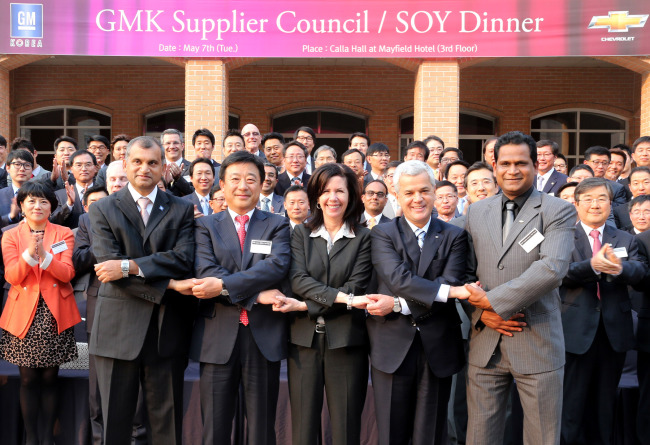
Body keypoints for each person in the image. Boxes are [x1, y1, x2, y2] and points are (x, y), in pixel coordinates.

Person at [457, 131, 577, 445]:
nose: (513, 170)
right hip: (485, 345)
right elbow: (465, 274)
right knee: (480, 437)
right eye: (506, 163)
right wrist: (482, 315)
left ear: (536, 165)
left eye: (521, 162)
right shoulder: (477, 211)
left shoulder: (557, 210)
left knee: (541, 437)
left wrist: (492, 302)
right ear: (494, 166)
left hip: (536, 342)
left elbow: (552, 269)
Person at [89, 135, 196, 445]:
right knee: (115, 426)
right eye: (137, 161)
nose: (144, 168)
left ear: (164, 166)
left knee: (167, 426)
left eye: (152, 162)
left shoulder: (181, 209)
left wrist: (130, 265)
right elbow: (109, 269)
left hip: (167, 331)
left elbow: (183, 258)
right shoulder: (103, 208)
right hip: (117, 330)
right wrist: (169, 284)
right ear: (125, 164)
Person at [189, 150, 291, 445]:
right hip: (217, 337)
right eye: (235, 179)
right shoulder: (205, 226)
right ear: (222, 184)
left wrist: (225, 286)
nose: (242, 186)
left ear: (262, 185)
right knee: (215, 429)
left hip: (262, 339)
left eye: (251, 179)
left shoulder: (277, 224)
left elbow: (275, 267)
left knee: (261, 429)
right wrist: (256, 296)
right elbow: (206, 270)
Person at [365, 160, 468, 445]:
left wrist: (398, 304)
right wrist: (448, 292)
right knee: (390, 431)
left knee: (431, 432)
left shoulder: (455, 235)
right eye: (409, 193)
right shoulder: (382, 233)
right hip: (392, 341)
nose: (417, 198)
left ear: (435, 191)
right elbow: (398, 279)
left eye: (424, 190)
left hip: (438, 341)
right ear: (396, 195)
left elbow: (452, 281)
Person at [273, 162, 373, 445]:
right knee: (303, 429)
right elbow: (298, 281)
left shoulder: (365, 238)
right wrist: (344, 299)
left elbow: (356, 286)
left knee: (345, 428)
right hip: (303, 344)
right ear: (316, 196)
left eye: (340, 190)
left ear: (351, 196)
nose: (333, 197)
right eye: (326, 191)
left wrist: (304, 306)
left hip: (346, 343)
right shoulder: (300, 234)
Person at [560, 177, 644, 445]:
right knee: (571, 406)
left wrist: (619, 269)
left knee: (605, 405)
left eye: (601, 199)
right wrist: (592, 266)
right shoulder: (563, 237)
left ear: (611, 204)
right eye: (588, 199)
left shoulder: (626, 239)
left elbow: (641, 270)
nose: (595, 205)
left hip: (613, 334)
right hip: (573, 332)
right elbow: (558, 273)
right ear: (577, 204)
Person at [0, 181, 81, 445]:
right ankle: (31, 439)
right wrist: (29, 255)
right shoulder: (10, 235)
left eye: (44, 201)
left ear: (51, 206)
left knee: (49, 377)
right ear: (21, 205)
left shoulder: (64, 233)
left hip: (55, 312)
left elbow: (68, 273)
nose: (38, 206)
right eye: (31, 201)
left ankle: (47, 438)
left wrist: (45, 256)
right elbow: (12, 275)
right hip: (24, 313)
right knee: (27, 379)